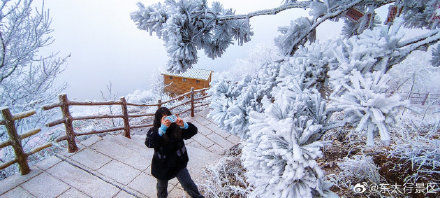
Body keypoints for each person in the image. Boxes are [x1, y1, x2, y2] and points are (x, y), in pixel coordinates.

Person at [145, 107, 204, 198]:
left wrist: (184, 125)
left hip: (178, 164)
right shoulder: (154, 131)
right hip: (162, 166)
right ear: (158, 120)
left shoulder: (177, 128)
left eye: (168, 117)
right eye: (164, 119)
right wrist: (161, 130)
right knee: (162, 188)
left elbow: (194, 131)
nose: (167, 121)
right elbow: (149, 143)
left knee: (188, 184)